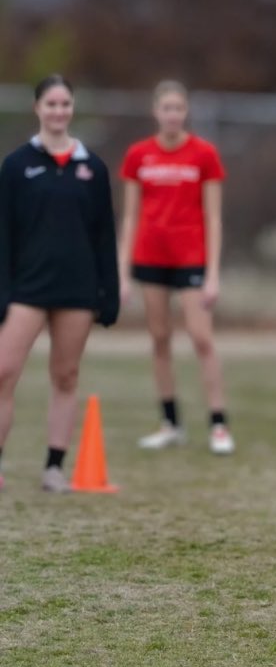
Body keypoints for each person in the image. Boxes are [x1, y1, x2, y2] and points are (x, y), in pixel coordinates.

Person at [0, 75, 119, 493]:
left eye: (65, 103)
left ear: (72, 108)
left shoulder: (93, 168)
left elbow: (104, 235)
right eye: (50, 104)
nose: (58, 111)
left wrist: (110, 293)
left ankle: (54, 467)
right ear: (37, 108)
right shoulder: (16, 166)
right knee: (3, 371)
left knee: (66, 376)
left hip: (78, 291)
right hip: (27, 290)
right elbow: (4, 235)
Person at [118, 80, 234, 455]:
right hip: (150, 257)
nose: (172, 115)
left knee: (202, 338)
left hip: (191, 259)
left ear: (186, 113)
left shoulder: (204, 154)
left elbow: (214, 217)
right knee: (160, 338)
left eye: (179, 109)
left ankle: (218, 424)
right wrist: (122, 273)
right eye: (166, 108)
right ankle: (171, 423)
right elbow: (131, 216)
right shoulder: (138, 155)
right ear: (156, 111)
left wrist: (213, 273)